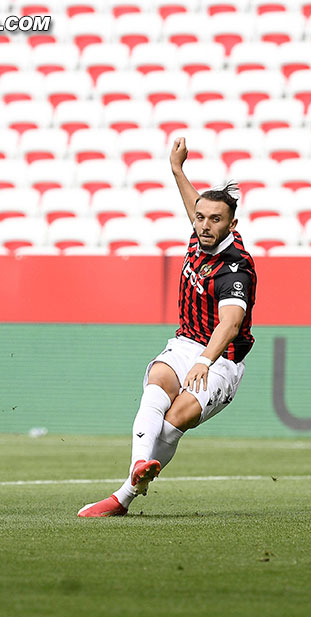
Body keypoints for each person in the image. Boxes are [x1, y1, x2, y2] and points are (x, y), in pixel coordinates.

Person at [78, 137, 257, 517]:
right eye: (200, 217)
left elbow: (231, 323)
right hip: (185, 342)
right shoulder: (199, 233)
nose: (205, 225)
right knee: (157, 379)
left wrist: (204, 363)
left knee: (177, 419)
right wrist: (177, 169)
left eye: (215, 219)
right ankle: (138, 468)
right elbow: (194, 202)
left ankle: (124, 495)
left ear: (232, 224)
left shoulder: (236, 267)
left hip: (221, 358)